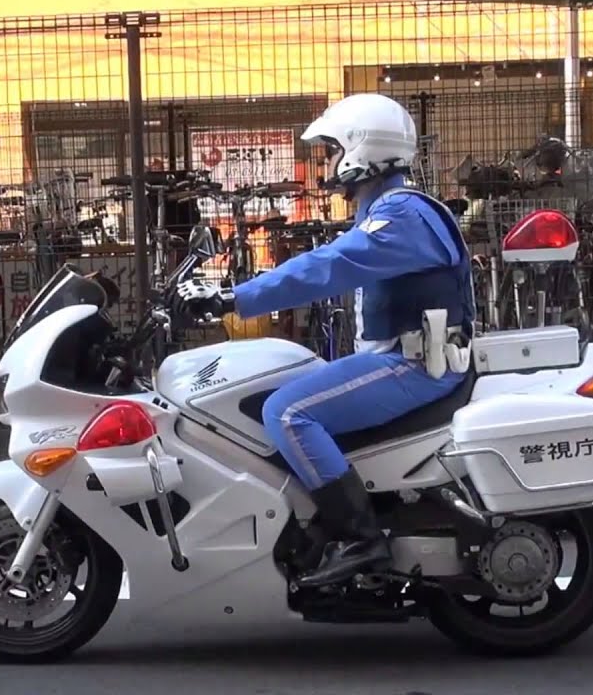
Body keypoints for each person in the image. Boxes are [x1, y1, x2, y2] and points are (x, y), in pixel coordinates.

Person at [177, 93, 475, 588]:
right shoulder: (387, 210)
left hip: (415, 368)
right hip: (403, 360)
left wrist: (231, 297)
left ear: (363, 150)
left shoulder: (401, 217)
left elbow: (329, 266)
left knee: (288, 412)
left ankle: (362, 539)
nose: (329, 163)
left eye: (334, 150)